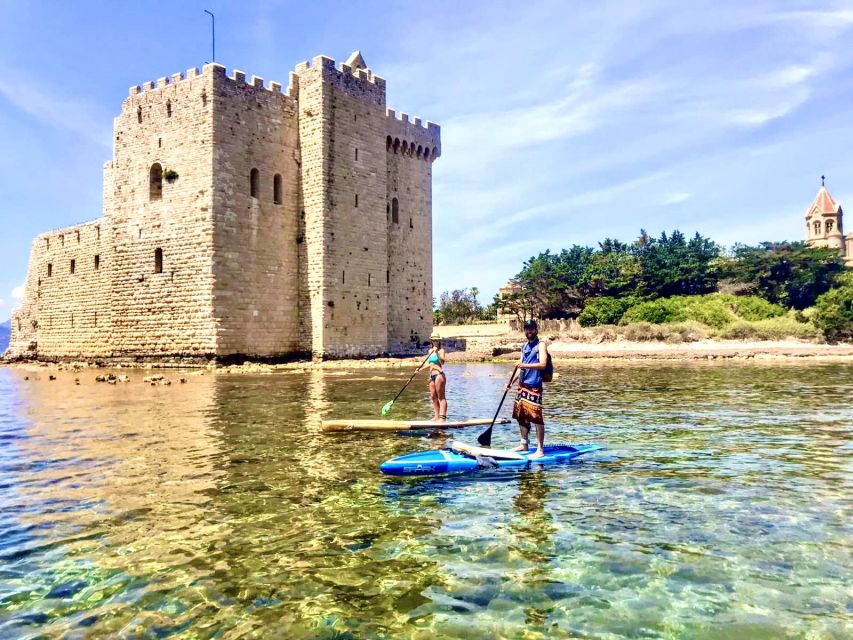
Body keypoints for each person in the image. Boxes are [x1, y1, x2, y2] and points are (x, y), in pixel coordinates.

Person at [506, 320, 549, 459]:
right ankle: (524, 444)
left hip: (534, 385)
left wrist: (523, 364)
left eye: (531, 329)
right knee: (521, 416)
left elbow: (542, 364)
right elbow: (521, 368)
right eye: (527, 329)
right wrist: (511, 382)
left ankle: (540, 449)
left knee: (536, 417)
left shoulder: (541, 345)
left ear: (536, 330)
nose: (529, 331)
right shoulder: (524, 346)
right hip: (522, 385)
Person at [416, 333, 447, 422]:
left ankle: (442, 418)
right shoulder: (430, 351)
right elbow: (429, 364)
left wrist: (436, 352)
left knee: (441, 397)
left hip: (439, 375)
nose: (435, 342)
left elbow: (442, 362)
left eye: (436, 340)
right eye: (433, 340)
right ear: (431, 341)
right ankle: (436, 416)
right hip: (431, 375)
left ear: (439, 341)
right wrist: (420, 369)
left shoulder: (441, 351)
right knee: (433, 396)